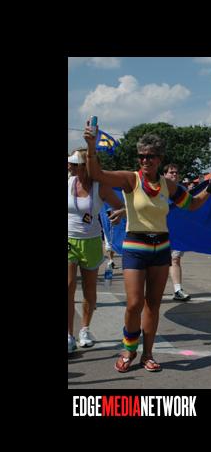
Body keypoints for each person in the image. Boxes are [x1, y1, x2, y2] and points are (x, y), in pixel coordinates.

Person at [84, 123, 211, 373]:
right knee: (134, 303)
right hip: (135, 246)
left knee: (153, 305)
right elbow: (96, 174)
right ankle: (129, 349)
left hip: (161, 247)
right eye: (142, 156)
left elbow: (192, 205)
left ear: (159, 158)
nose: (145, 160)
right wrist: (91, 147)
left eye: (150, 156)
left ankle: (147, 354)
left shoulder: (168, 185)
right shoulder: (130, 179)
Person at [68, 149, 126, 354]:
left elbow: (121, 206)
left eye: (74, 164)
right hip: (69, 240)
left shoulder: (100, 187)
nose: (69, 166)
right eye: (70, 163)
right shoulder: (68, 182)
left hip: (92, 242)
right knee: (68, 286)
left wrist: (118, 214)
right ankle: (69, 336)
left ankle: (85, 330)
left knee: (89, 290)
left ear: (85, 166)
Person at [163, 163, 191, 301]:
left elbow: (191, 206)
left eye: (176, 172)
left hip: (176, 232)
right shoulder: (158, 189)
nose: (174, 174)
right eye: (171, 172)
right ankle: (151, 289)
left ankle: (177, 289)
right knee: (157, 263)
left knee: (175, 259)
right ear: (164, 175)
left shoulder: (182, 190)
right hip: (158, 230)